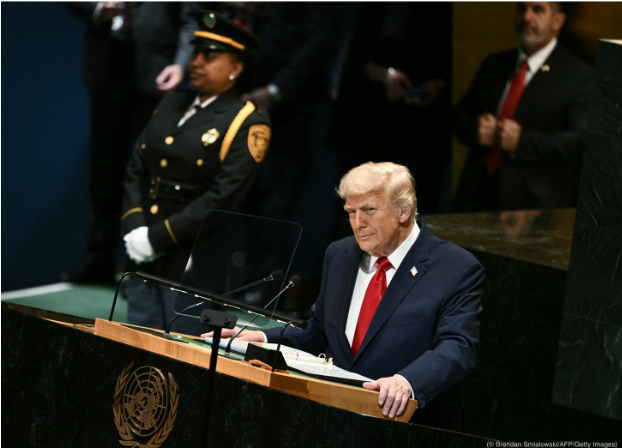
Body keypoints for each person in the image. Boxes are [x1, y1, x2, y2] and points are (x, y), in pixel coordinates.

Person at [205, 162, 485, 431]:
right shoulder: (339, 254)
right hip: (332, 419)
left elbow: (457, 347)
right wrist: (262, 338)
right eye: (351, 212)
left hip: (407, 426)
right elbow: (320, 332)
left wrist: (407, 382)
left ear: (404, 211)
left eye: (369, 210)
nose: (358, 223)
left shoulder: (455, 268)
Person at [120, 11, 271, 334]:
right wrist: (135, 228)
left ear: (235, 67)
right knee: (135, 351)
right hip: (144, 253)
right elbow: (137, 168)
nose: (197, 61)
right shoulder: (173, 102)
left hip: (196, 260)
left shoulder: (247, 121)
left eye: (210, 55)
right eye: (197, 52)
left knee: (185, 359)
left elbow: (224, 195)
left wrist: (156, 237)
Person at [63, 2, 203, 284]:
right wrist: (101, 8)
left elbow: (192, 18)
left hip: (156, 70)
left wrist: (180, 64)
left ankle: (137, 267)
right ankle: (97, 262)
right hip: (105, 63)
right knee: (103, 170)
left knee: (144, 172)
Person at [453, 2, 593, 212]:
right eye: (521, 8)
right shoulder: (494, 64)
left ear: (558, 20)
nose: (526, 17)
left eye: (537, 10)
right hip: (475, 197)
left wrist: (522, 142)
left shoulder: (579, 76)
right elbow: (456, 117)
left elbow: (582, 141)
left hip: (535, 210)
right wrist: (475, 128)